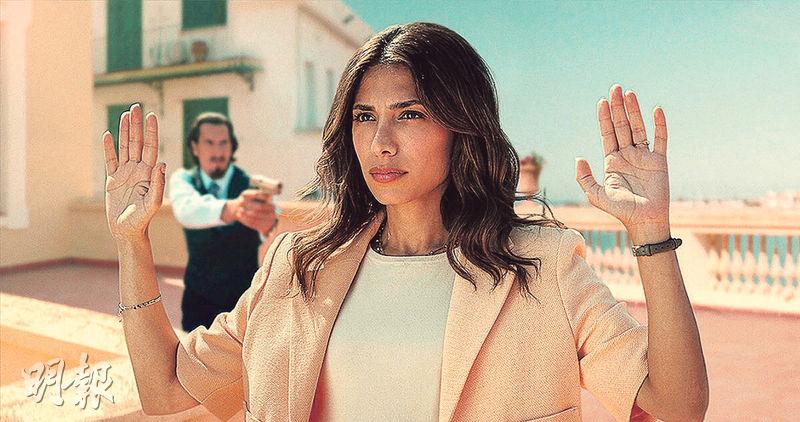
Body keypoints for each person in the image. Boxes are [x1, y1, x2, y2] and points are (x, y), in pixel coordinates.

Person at [102, 22, 708, 422]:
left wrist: (651, 234)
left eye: (410, 114)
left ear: (461, 125)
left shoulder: (542, 268)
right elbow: (166, 388)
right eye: (364, 117)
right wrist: (132, 241)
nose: (381, 142)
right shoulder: (296, 266)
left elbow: (676, 405)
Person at [167, 112, 279, 331]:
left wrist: (267, 225)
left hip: (243, 304)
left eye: (223, 143)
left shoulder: (252, 186)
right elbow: (186, 210)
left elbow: (273, 227)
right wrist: (233, 208)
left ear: (232, 146)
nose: (217, 152)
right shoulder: (183, 179)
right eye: (209, 143)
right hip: (198, 303)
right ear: (195, 147)